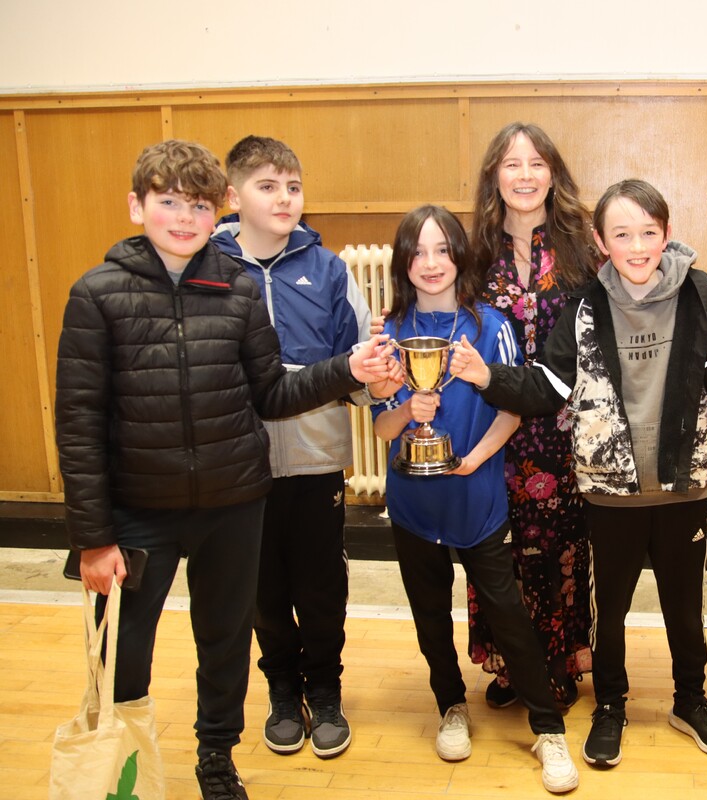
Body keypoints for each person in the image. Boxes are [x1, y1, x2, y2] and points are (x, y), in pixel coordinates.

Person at [54, 139, 399, 800]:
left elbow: (272, 394)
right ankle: (122, 768)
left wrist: (347, 369)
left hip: (235, 504)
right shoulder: (97, 295)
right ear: (137, 206)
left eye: (197, 205)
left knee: (224, 644)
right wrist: (93, 536)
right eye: (168, 203)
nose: (184, 218)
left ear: (217, 213)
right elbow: (79, 423)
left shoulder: (237, 289)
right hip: (138, 511)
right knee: (122, 651)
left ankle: (217, 757)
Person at [450, 179, 707, 767]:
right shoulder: (585, 304)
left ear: (666, 233)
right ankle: (610, 704)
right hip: (610, 492)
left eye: (649, 232)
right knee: (608, 608)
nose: (637, 245)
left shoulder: (699, 291)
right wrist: (489, 378)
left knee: (685, 607)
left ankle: (691, 700)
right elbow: (547, 386)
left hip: (681, 483)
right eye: (622, 233)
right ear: (600, 240)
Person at [371, 204, 578, 794]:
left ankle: (547, 728)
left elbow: (512, 410)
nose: (431, 263)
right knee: (429, 613)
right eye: (418, 252)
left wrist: (475, 461)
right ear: (403, 263)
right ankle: (450, 707)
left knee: (507, 612)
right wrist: (409, 411)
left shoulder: (491, 326)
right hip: (413, 501)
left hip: (477, 497)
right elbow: (383, 431)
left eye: (442, 250)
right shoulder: (388, 331)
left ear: (460, 257)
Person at [212, 135, 374, 759]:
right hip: (238, 462)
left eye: (294, 187)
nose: (284, 198)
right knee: (262, 585)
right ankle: (282, 689)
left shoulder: (328, 268)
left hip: (314, 458)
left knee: (320, 582)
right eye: (267, 186)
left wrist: (377, 381)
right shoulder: (208, 265)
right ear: (233, 196)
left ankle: (325, 690)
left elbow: (357, 359)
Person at [468, 122, 598, 709]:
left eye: (536, 163)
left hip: (561, 433)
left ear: (553, 174)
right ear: (495, 175)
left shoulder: (582, 250)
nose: (524, 175)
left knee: (559, 551)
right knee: (497, 552)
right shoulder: (473, 253)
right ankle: (508, 666)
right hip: (490, 429)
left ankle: (559, 662)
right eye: (512, 164)